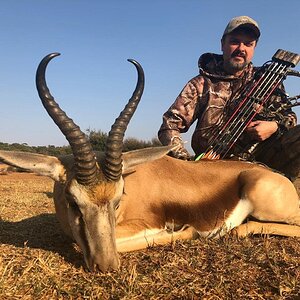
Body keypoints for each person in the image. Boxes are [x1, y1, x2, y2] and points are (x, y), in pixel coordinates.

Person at [158, 16, 300, 181]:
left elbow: (290, 118)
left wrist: (274, 126)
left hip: (258, 162)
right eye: (235, 41)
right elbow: (169, 126)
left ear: (254, 48)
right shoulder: (201, 84)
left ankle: (288, 196)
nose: (241, 48)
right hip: (210, 167)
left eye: (248, 44)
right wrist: (187, 162)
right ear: (222, 44)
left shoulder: (267, 80)